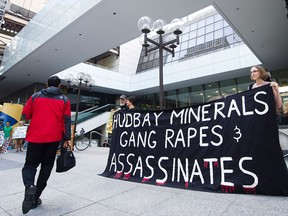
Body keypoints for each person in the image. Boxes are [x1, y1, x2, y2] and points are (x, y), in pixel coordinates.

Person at [21, 76, 71, 214]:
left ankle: (30, 186)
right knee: (46, 167)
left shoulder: (35, 97)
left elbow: (26, 114)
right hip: (53, 139)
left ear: (46, 84)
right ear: (59, 86)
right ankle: (35, 199)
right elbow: (66, 120)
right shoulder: (65, 99)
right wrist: (67, 138)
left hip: (35, 137)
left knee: (30, 165)